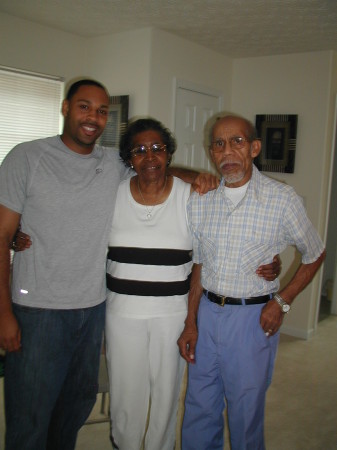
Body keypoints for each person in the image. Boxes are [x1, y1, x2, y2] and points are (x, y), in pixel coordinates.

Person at [0, 79, 208, 450]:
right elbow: (3, 236)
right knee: (30, 411)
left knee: (76, 405)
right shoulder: (27, 157)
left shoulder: (111, 162)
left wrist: (198, 178)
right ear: (65, 108)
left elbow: (155, 165)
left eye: (101, 110)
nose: (93, 117)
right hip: (39, 308)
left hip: (94, 306)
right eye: (84, 107)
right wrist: (4, 311)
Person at [104, 118, 280, 450]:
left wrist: (270, 261)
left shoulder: (193, 195)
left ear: (169, 154)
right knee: (126, 397)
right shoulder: (112, 195)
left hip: (172, 314)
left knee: (167, 396)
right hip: (122, 314)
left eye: (158, 149)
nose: (150, 157)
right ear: (129, 158)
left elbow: (215, 247)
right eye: (139, 150)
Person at [178, 114, 326, 450]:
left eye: (237, 142)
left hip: (251, 320)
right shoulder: (201, 199)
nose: (227, 151)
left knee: (245, 415)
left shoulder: (281, 199)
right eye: (219, 144)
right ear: (211, 152)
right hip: (206, 314)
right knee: (199, 408)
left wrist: (282, 301)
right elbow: (199, 265)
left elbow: (315, 252)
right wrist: (190, 323)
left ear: (255, 148)